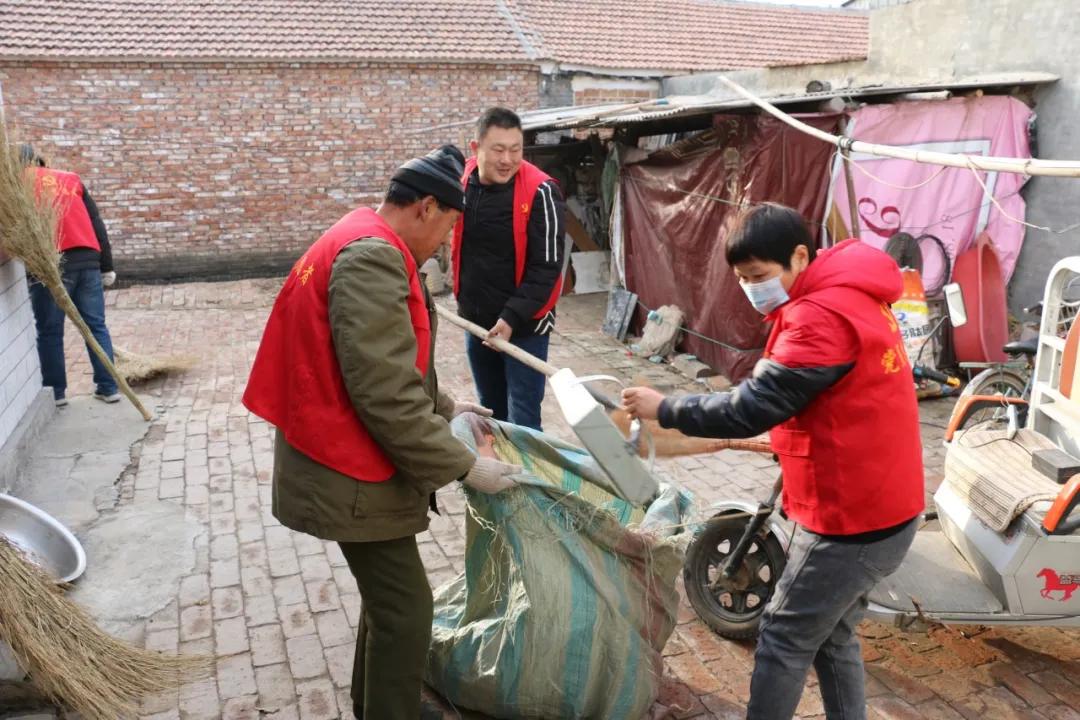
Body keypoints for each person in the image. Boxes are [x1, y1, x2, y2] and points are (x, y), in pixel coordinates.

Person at [242, 145, 520, 720]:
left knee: (388, 600)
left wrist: (447, 404)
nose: (444, 246)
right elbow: (384, 393)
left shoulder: (360, 234)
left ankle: (378, 702)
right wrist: (465, 464)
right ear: (424, 207)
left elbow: (385, 362)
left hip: (344, 445)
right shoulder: (373, 258)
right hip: (345, 460)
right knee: (407, 609)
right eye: (447, 228)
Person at [622, 204, 923, 720]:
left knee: (783, 634)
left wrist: (666, 408)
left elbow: (752, 406)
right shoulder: (850, 292)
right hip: (884, 502)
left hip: (852, 518)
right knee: (832, 635)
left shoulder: (818, 317)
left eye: (758, 276)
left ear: (800, 256)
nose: (751, 289)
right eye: (742, 279)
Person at [451, 107, 567, 431]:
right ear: (475, 149)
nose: (508, 160)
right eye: (498, 150)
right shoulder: (462, 181)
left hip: (524, 327)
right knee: (490, 410)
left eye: (515, 150)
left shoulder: (542, 192)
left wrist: (511, 318)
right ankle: (501, 477)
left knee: (524, 418)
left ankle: (529, 479)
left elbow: (547, 270)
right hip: (476, 322)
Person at [21, 146, 119, 406]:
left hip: (51, 265)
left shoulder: (15, 186)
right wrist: (106, 266)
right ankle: (109, 388)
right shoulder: (71, 178)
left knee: (50, 331)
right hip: (87, 259)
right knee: (95, 327)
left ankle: (57, 393)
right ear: (41, 162)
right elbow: (96, 223)